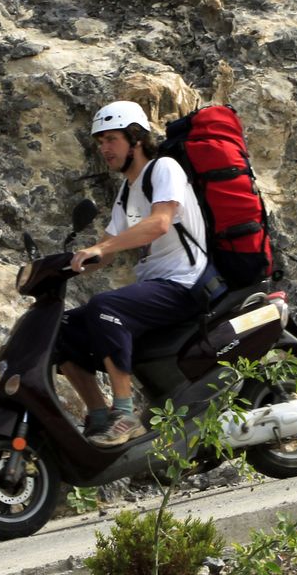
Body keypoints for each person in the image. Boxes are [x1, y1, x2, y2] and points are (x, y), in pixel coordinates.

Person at [58, 100, 211, 447]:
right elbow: (107, 248)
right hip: (157, 285)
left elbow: (158, 224)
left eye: (111, 139)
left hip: (185, 282)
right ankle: (99, 415)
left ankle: (125, 413)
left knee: (105, 308)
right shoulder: (127, 191)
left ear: (136, 138)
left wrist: (102, 250)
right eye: (100, 142)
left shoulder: (163, 169)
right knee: (62, 329)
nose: (104, 149)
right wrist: (62, 267)